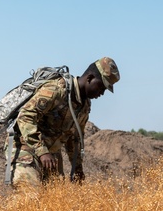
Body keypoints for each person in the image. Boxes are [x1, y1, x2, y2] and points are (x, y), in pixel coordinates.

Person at [8, 57, 120, 186]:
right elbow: (26, 116)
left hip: (51, 155)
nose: (102, 93)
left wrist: (77, 169)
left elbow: (75, 138)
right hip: (25, 147)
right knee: (30, 196)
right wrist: (42, 151)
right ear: (89, 78)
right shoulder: (57, 90)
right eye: (101, 87)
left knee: (54, 200)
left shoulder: (84, 106)